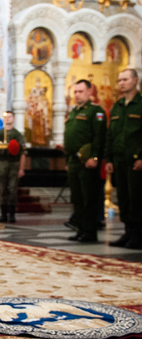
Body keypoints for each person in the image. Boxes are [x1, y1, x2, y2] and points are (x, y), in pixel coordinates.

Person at [62, 79, 106, 243]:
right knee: (77, 198)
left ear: (89, 92)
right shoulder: (73, 112)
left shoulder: (96, 112)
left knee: (89, 198)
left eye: (80, 91)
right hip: (73, 161)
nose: (77, 95)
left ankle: (89, 232)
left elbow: (99, 138)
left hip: (87, 162)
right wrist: (67, 160)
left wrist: (95, 158)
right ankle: (80, 229)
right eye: (75, 92)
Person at [106, 69, 142, 249]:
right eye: (119, 80)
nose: (122, 83)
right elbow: (110, 135)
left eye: (126, 79)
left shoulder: (140, 105)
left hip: (135, 161)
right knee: (124, 198)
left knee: (137, 198)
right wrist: (109, 159)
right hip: (119, 160)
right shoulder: (117, 107)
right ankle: (128, 232)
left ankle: (137, 235)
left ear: (136, 80)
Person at [0, 111, 26, 223]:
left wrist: (21, 168)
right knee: (3, 189)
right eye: (6, 117)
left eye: (10, 117)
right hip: (1, 163)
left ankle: (12, 214)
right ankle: (3, 214)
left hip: (14, 163)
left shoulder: (18, 135)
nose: (8, 119)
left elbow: (23, 153)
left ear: (13, 118)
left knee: (13, 188)